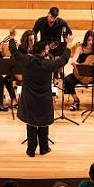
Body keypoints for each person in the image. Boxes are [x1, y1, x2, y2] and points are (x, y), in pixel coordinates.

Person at [8, 29, 72, 157]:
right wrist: (68, 45)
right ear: (43, 51)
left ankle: (30, 150)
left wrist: (11, 37)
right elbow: (63, 60)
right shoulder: (49, 64)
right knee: (44, 124)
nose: (48, 50)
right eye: (47, 49)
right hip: (44, 99)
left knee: (30, 124)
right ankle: (44, 148)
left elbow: (14, 52)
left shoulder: (26, 60)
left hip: (29, 98)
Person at [65, 30, 94, 110]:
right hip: (82, 75)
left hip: (93, 76)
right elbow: (73, 61)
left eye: (92, 40)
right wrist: (82, 66)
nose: (91, 42)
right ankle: (76, 100)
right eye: (89, 40)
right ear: (85, 39)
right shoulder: (80, 48)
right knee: (68, 80)